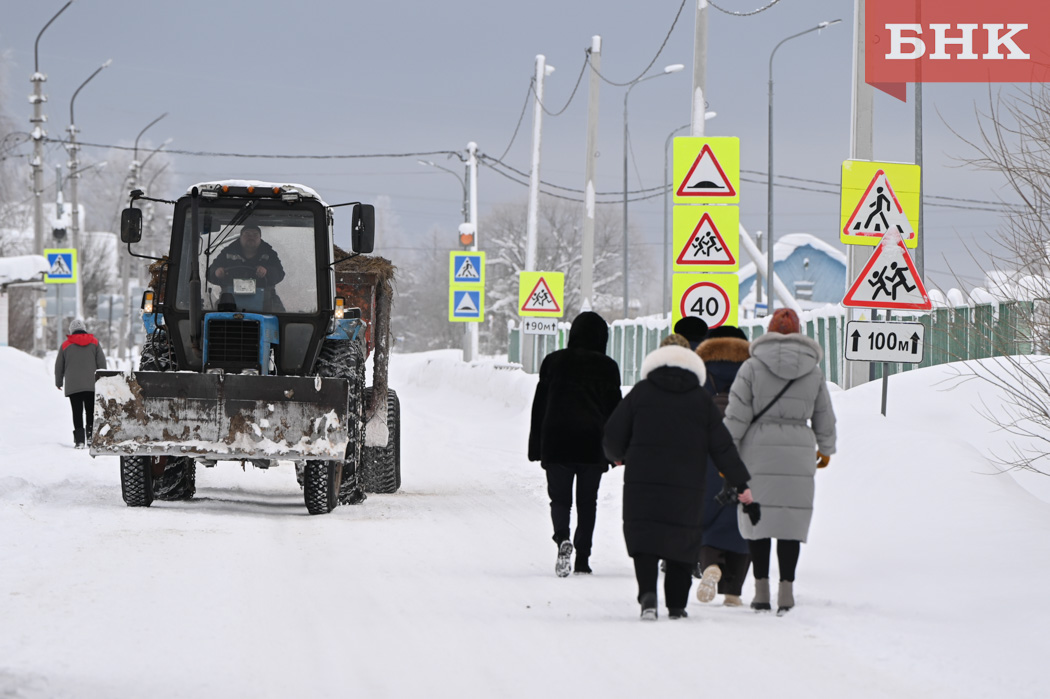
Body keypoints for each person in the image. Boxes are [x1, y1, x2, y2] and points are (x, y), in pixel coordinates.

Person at [603, 343, 752, 621]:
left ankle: (648, 595)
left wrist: (618, 456)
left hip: (642, 482)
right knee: (682, 540)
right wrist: (739, 479)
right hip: (688, 485)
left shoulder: (640, 393)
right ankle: (676, 604)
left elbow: (612, 434)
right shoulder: (700, 400)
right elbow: (722, 447)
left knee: (646, 538)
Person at [723, 308, 837, 614]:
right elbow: (824, 415)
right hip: (799, 452)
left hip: (756, 451)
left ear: (769, 331)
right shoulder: (813, 371)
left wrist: (726, 454)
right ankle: (786, 592)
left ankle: (761, 592)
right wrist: (826, 449)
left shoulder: (751, 368)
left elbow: (736, 414)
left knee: (758, 520)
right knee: (789, 520)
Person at [528, 311, 623, 577]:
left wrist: (536, 447)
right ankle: (582, 558)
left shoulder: (553, 362)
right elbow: (615, 412)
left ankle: (562, 540)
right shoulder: (608, 367)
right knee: (587, 503)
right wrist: (619, 450)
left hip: (557, 441)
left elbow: (540, 407)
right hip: (593, 444)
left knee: (560, 500)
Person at [694, 325, 753, 607]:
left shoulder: (699, 371)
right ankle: (734, 591)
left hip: (707, 451)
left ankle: (710, 567)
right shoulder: (754, 372)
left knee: (707, 512)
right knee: (742, 514)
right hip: (744, 449)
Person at [55, 318, 108, 449]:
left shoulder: (65, 345)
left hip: (73, 385)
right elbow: (102, 363)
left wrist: (58, 382)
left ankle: (79, 441)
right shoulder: (94, 343)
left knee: (77, 412)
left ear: (71, 331)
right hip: (91, 384)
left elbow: (59, 366)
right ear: (84, 329)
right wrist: (104, 380)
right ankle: (90, 438)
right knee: (90, 411)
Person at [207, 225, 286, 309]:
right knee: (215, 315)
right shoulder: (227, 253)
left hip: (264, 301)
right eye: (247, 234)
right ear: (240, 237)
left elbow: (279, 273)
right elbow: (210, 273)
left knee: (279, 313)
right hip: (230, 302)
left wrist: (267, 271)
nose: (251, 237)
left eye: (255, 235)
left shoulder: (269, 254)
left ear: (260, 238)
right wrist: (216, 272)